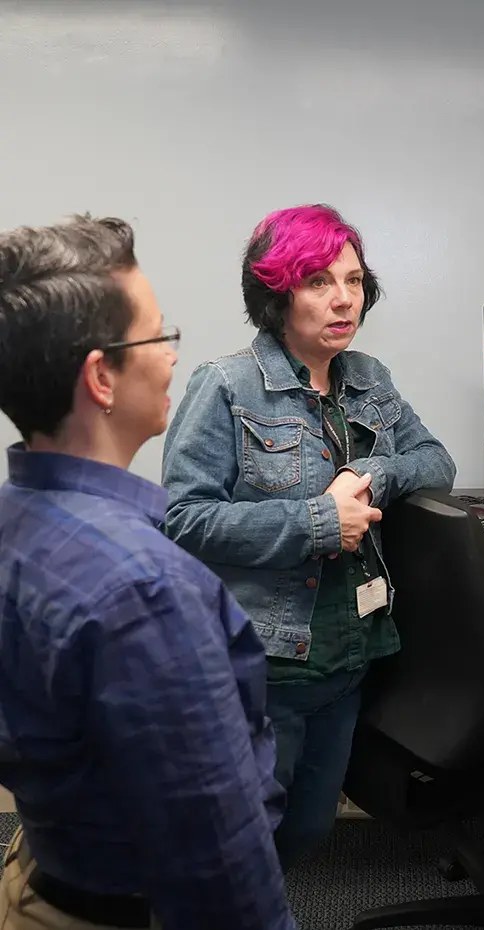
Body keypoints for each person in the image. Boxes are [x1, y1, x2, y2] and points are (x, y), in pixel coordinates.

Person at [0, 217, 294, 929]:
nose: (170, 357)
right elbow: (217, 860)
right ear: (102, 376)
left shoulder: (14, 516)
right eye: (158, 335)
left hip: (45, 861)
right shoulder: (145, 590)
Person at [162, 203, 457, 867]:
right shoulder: (227, 386)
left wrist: (371, 474)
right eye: (318, 282)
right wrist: (321, 520)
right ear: (277, 294)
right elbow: (184, 520)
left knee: (308, 830)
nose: (343, 299)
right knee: (241, 843)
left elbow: (435, 461)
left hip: (348, 657)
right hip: (265, 665)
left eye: (353, 281)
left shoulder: (369, 378)